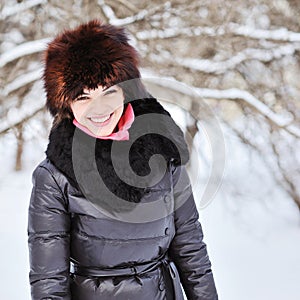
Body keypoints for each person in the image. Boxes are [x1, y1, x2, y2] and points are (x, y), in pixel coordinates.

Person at [27, 19, 218, 300]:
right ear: (66, 104)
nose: (99, 109)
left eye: (109, 91)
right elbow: (49, 282)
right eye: (83, 97)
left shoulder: (163, 153)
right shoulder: (53, 178)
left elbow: (191, 250)